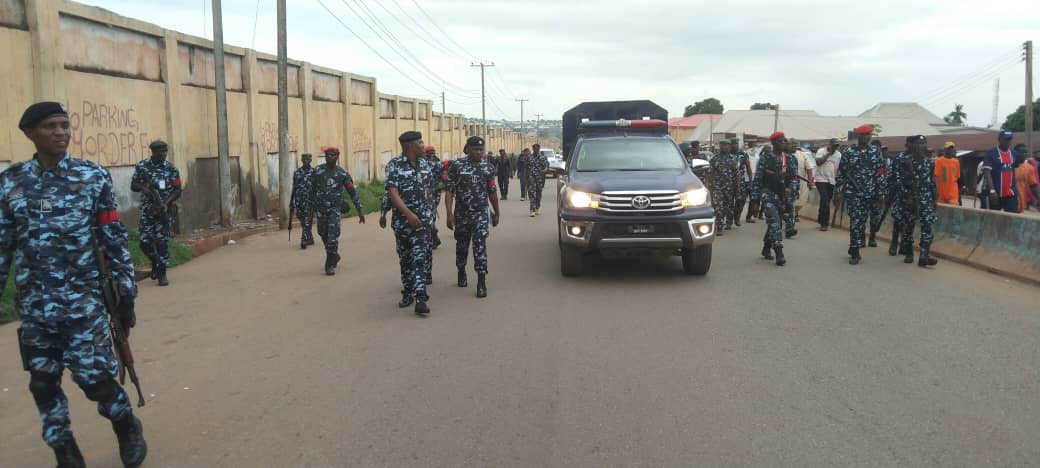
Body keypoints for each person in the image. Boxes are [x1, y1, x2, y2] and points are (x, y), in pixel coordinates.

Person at [1, 102, 146, 467]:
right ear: (29, 133)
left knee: (95, 380)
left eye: (65, 125)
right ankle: (64, 448)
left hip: (82, 304)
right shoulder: (10, 182)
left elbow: (113, 238)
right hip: (35, 307)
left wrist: (126, 292)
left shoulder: (91, 177)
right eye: (51, 126)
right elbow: (3, 245)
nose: (61, 133)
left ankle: (126, 424)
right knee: (42, 383)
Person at [382, 131, 436, 315]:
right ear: (410, 146)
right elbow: (392, 193)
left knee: (419, 257)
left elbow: (431, 188)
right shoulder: (394, 166)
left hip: (423, 222)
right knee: (405, 258)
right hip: (403, 222)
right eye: (420, 143)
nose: (423, 145)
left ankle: (421, 298)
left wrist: (431, 213)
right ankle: (408, 292)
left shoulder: (425, 163)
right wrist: (407, 214)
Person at [446, 136, 501, 298]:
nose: (478, 152)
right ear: (467, 149)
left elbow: (492, 192)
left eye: (481, 150)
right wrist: (449, 214)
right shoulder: (457, 166)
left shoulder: (488, 168)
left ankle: (481, 281)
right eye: (475, 149)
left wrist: (497, 212)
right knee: (462, 245)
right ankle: (461, 270)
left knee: (480, 245)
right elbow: (449, 191)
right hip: (462, 214)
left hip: (480, 214)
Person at [129, 139, 182, 287]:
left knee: (162, 243)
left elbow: (178, 190)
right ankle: (155, 262)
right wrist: (144, 189)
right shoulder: (142, 166)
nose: (164, 154)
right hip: (147, 211)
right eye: (161, 152)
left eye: (165, 151)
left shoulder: (171, 169)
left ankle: (162, 273)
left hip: (164, 211)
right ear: (153, 152)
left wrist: (166, 203)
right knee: (144, 243)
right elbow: (133, 185)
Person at [310, 146, 365, 276]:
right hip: (321, 209)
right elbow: (311, 191)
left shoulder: (343, 173)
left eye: (333, 155)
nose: (330, 157)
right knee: (322, 233)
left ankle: (329, 265)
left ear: (337, 157)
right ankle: (334, 255)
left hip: (335, 209)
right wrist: (310, 210)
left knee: (332, 237)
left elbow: (352, 192)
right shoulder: (317, 171)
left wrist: (360, 210)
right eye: (328, 155)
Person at [835, 124, 882, 264]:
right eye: (863, 135)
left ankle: (855, 244)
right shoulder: (849, 152)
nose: (866, 137)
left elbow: (880, 173)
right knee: (856, 220)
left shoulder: (875, 151)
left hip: (871, 192)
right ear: (858, 136)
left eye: (868, 134)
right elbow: (842, 172)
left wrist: (881, 193)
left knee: (863, 221)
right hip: (853, 192)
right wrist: (837, 191)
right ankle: (855, 251)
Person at [750, 132, 798, 266]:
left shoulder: (790, 158)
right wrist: (755, 201)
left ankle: (766, 248)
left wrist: (791, 189)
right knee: (775, 222)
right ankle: (779, 252)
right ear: (773, 143)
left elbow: (794, 178)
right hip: (768, 194)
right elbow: (758, 180)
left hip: (784, 196)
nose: (783, 143)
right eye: (780, 141)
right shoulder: (766, 158)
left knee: (774, 224)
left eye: (784, 141)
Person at [892, 135, 939, 267]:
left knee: (927, 227)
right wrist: (907, 197)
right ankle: (909, 252)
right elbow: (896, 181)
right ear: (911, 145)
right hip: (908, 199)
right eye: (918, 143)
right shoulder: (902, 161)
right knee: (907, 228)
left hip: (925, 199)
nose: (921, 146)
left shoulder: (929, 162)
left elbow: (931, 182)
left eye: (923, 143)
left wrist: (934, 198)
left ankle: (924, 255)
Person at [980, 129, 1020, 212]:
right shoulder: (991, 153)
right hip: (995, 193)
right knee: (991, 219)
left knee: (1012, 219)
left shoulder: (1014, 154)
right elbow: (987, 172)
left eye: (1010, 139)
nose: (1008, 141)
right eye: (1006, 139)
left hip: (1010, 193)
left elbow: (1014, 172)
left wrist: (1017, 191)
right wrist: (992, 190)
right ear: (1000, 140)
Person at [709, 139, 739, 234]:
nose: (724, 147)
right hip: (717, 187)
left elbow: (737, 175)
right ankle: (719, 227)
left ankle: (729, 222)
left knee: (728, 206)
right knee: (718, 207)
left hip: (729, 187)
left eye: (726, 145)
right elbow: (710, 173)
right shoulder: (714, 159)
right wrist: (709, 186)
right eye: (722, 145)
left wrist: (737, 187)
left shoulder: (733, 159)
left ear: (729, 147)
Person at [814, 138, 842, 231]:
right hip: (820, 179)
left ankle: (821, 218)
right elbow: (818, 162)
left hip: (831, 180)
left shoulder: (838, 155)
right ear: (829, 144)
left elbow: (837, 169)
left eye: (837, 145)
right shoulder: (821, 151)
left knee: (826, 201)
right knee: (825, 200)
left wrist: (837, 183)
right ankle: (824, 223)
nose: (835, 147)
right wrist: (828, 154)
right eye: (834, 145)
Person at [291, 152, 316, 249]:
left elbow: (317, 187)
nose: (306, 161)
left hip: (310, 200)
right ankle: (310, 237)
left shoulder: (314, 172)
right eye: (304, 159)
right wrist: (291, 201)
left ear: (310, 160)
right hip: (299, 200)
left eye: (308, 159)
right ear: (301, 160)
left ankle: (304, 240)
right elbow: (294, 187)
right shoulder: (297, 172)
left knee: (306, 219)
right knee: (302, 219)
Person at [790, 139, 816, 223]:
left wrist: (810, 181)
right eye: (792, 144)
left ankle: (795, 213)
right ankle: (790, 217)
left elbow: (809, 168)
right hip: (788, 181)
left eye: (795, 144)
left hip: (801, 181)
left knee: (801, 201)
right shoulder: (784, 154)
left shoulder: (802, 155)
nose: (793, 145)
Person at [732, 139, 752, 227]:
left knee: (740, 201)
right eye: (733, 144)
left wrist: (751, 181)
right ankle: (728, 219)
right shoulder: (727, 154)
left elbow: (748, 168)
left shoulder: (743, 154)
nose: (734, 145)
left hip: (742, 181)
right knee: (728, 202)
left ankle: (737, 217)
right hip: (728, 181)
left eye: (736, 143)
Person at [1014, 148, 1039, 213]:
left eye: (1025, 152)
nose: (1024, 154)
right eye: (1021, 152)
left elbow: (1033, 186)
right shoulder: (1008, 166)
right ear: (1015, 153)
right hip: (1008, 202)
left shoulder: (1029, 168)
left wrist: (1038, 198)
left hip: (1022, 202)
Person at [527, 145, 549, 217]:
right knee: (532, 193)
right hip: (531, 177)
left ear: (539, 149)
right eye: (534, 148)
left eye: (537, 148)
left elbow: (546, 167)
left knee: (539, 192)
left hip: (540, 177)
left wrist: (544, 171)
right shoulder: (529, 157)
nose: (535, 150)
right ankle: (532, 210)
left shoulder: (543, 157)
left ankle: (537, 207)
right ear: (532, 149)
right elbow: (526, 167)